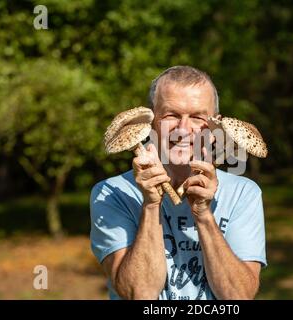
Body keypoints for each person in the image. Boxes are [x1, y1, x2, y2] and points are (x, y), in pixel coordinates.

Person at [90, 66, 266, 300]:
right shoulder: (110, 193)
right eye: (171, 115)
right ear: (151, 122)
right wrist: (151, 205)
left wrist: (203, 214)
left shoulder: (244, 193)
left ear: (214, 128)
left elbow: (238, 296)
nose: (182, 130)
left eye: (197, 117)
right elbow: (139, 293)